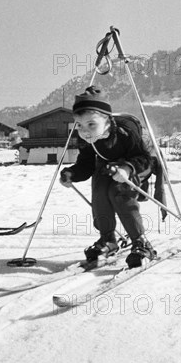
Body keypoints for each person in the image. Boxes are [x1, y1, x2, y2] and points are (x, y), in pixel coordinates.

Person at [59, 86, 157, 269]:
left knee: (119, 193)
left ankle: (141, 242)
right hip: (110, 167)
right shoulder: (88, 140)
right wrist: (72, 173)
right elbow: (87, 164)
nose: (85, 131)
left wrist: (127, 169)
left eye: (91, 124)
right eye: (79, 125)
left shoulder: (125, 132)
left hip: (136, 165)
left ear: (107, 121)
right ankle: (108, 239)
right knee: (100, 192)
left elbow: (144, 159)